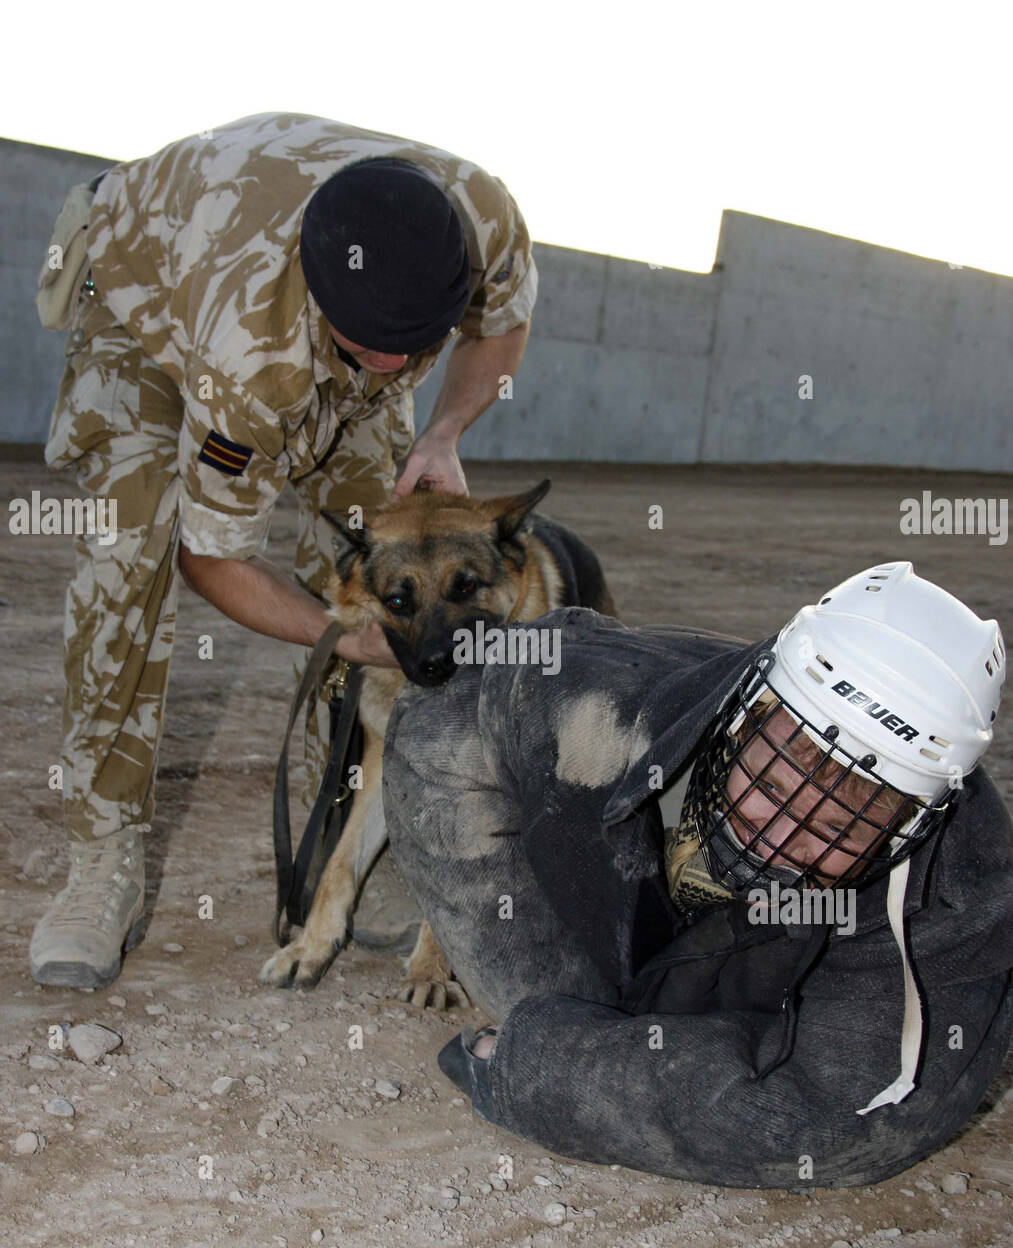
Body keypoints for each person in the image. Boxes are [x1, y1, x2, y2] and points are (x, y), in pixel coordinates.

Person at [30, 112, 535, 988]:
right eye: (366, 351)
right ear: (324, 309)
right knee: (133, 546)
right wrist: (336, 636)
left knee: (376, 562)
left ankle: (350, 833)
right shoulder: (249, 359)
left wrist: (444, 429)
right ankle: (101, 858)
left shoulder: (481, 220)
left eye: (410, 350)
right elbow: (211, 558)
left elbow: (501, 329)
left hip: (293, 290)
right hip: (142, 299)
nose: (389, 369)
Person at [382, 561, 1013, 1187]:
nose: (779, 836)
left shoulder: (954, 890)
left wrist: (546, 1064)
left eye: (832, 830)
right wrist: (546, 997)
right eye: (767, 782)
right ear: (744, 710)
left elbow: (842, 1119)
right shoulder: (598, 700)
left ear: (912, 827)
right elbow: (437, 723)